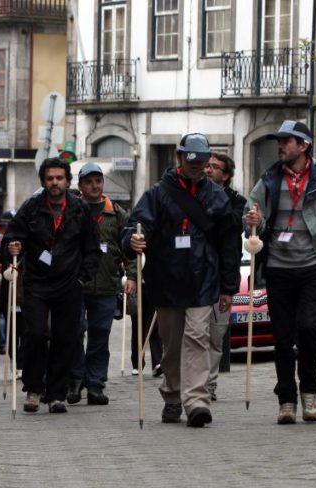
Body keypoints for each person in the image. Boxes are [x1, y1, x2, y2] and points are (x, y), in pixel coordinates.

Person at [121, 133, 241, 428]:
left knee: (198, 338)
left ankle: (197, 401)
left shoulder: (216, 195)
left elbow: (229, 244)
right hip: (167, 279)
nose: (197, 166)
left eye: (202, 162)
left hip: (204, 279)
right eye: (192, 160)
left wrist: (228, 286)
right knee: (172, 344)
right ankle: (173, 396)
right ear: (179, 158)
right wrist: (134, 240)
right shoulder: (157, 193)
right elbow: (137, 225)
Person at [244, 120, 316, 424]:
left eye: (287, 141)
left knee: (308, 328)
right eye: (279, 140)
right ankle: (286, 400)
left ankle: (310, 391)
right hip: (278, 268)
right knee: (281, 337)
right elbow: (251, 218)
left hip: (312, 267)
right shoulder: (269, 178)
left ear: (303, 145)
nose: (280, 146)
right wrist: (254, 220)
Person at [2, 157, 101, 414]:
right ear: (44, 182)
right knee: (35, 334)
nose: (55, 183)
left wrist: (83, 278)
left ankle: (57, 393)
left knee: (65, 337)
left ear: (67, 181)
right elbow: (12, 237)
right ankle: (34, 389)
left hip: (69, 284)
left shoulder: (80, 209)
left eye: (59, 178)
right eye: (50, 178)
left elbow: (92, 249)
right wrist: (13, 246)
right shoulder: (32, 207)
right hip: (37, 283)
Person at [68, 163, 135, 406]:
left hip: (107, 285)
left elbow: (129, 249)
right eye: (89, 182)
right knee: (75, 332)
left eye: (98, 181)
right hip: (75, 285)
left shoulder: (117, 214)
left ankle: (95, 384)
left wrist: (133, 276)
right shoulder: (72, 211)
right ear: (80, 185)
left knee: (100, 335)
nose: (94, 186)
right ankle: (74, 379)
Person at [205, 152, 247, 401]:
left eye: (215, 167)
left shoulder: (235, 202)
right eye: (207, 166)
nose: (209, 170)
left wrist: (229, 288)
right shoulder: (193, 196)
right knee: (193, 336)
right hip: (196, 278)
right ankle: (193, 385)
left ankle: (209, 385)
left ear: (227, 175)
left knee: (215, 336)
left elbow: (232, 241)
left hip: (221, 279)